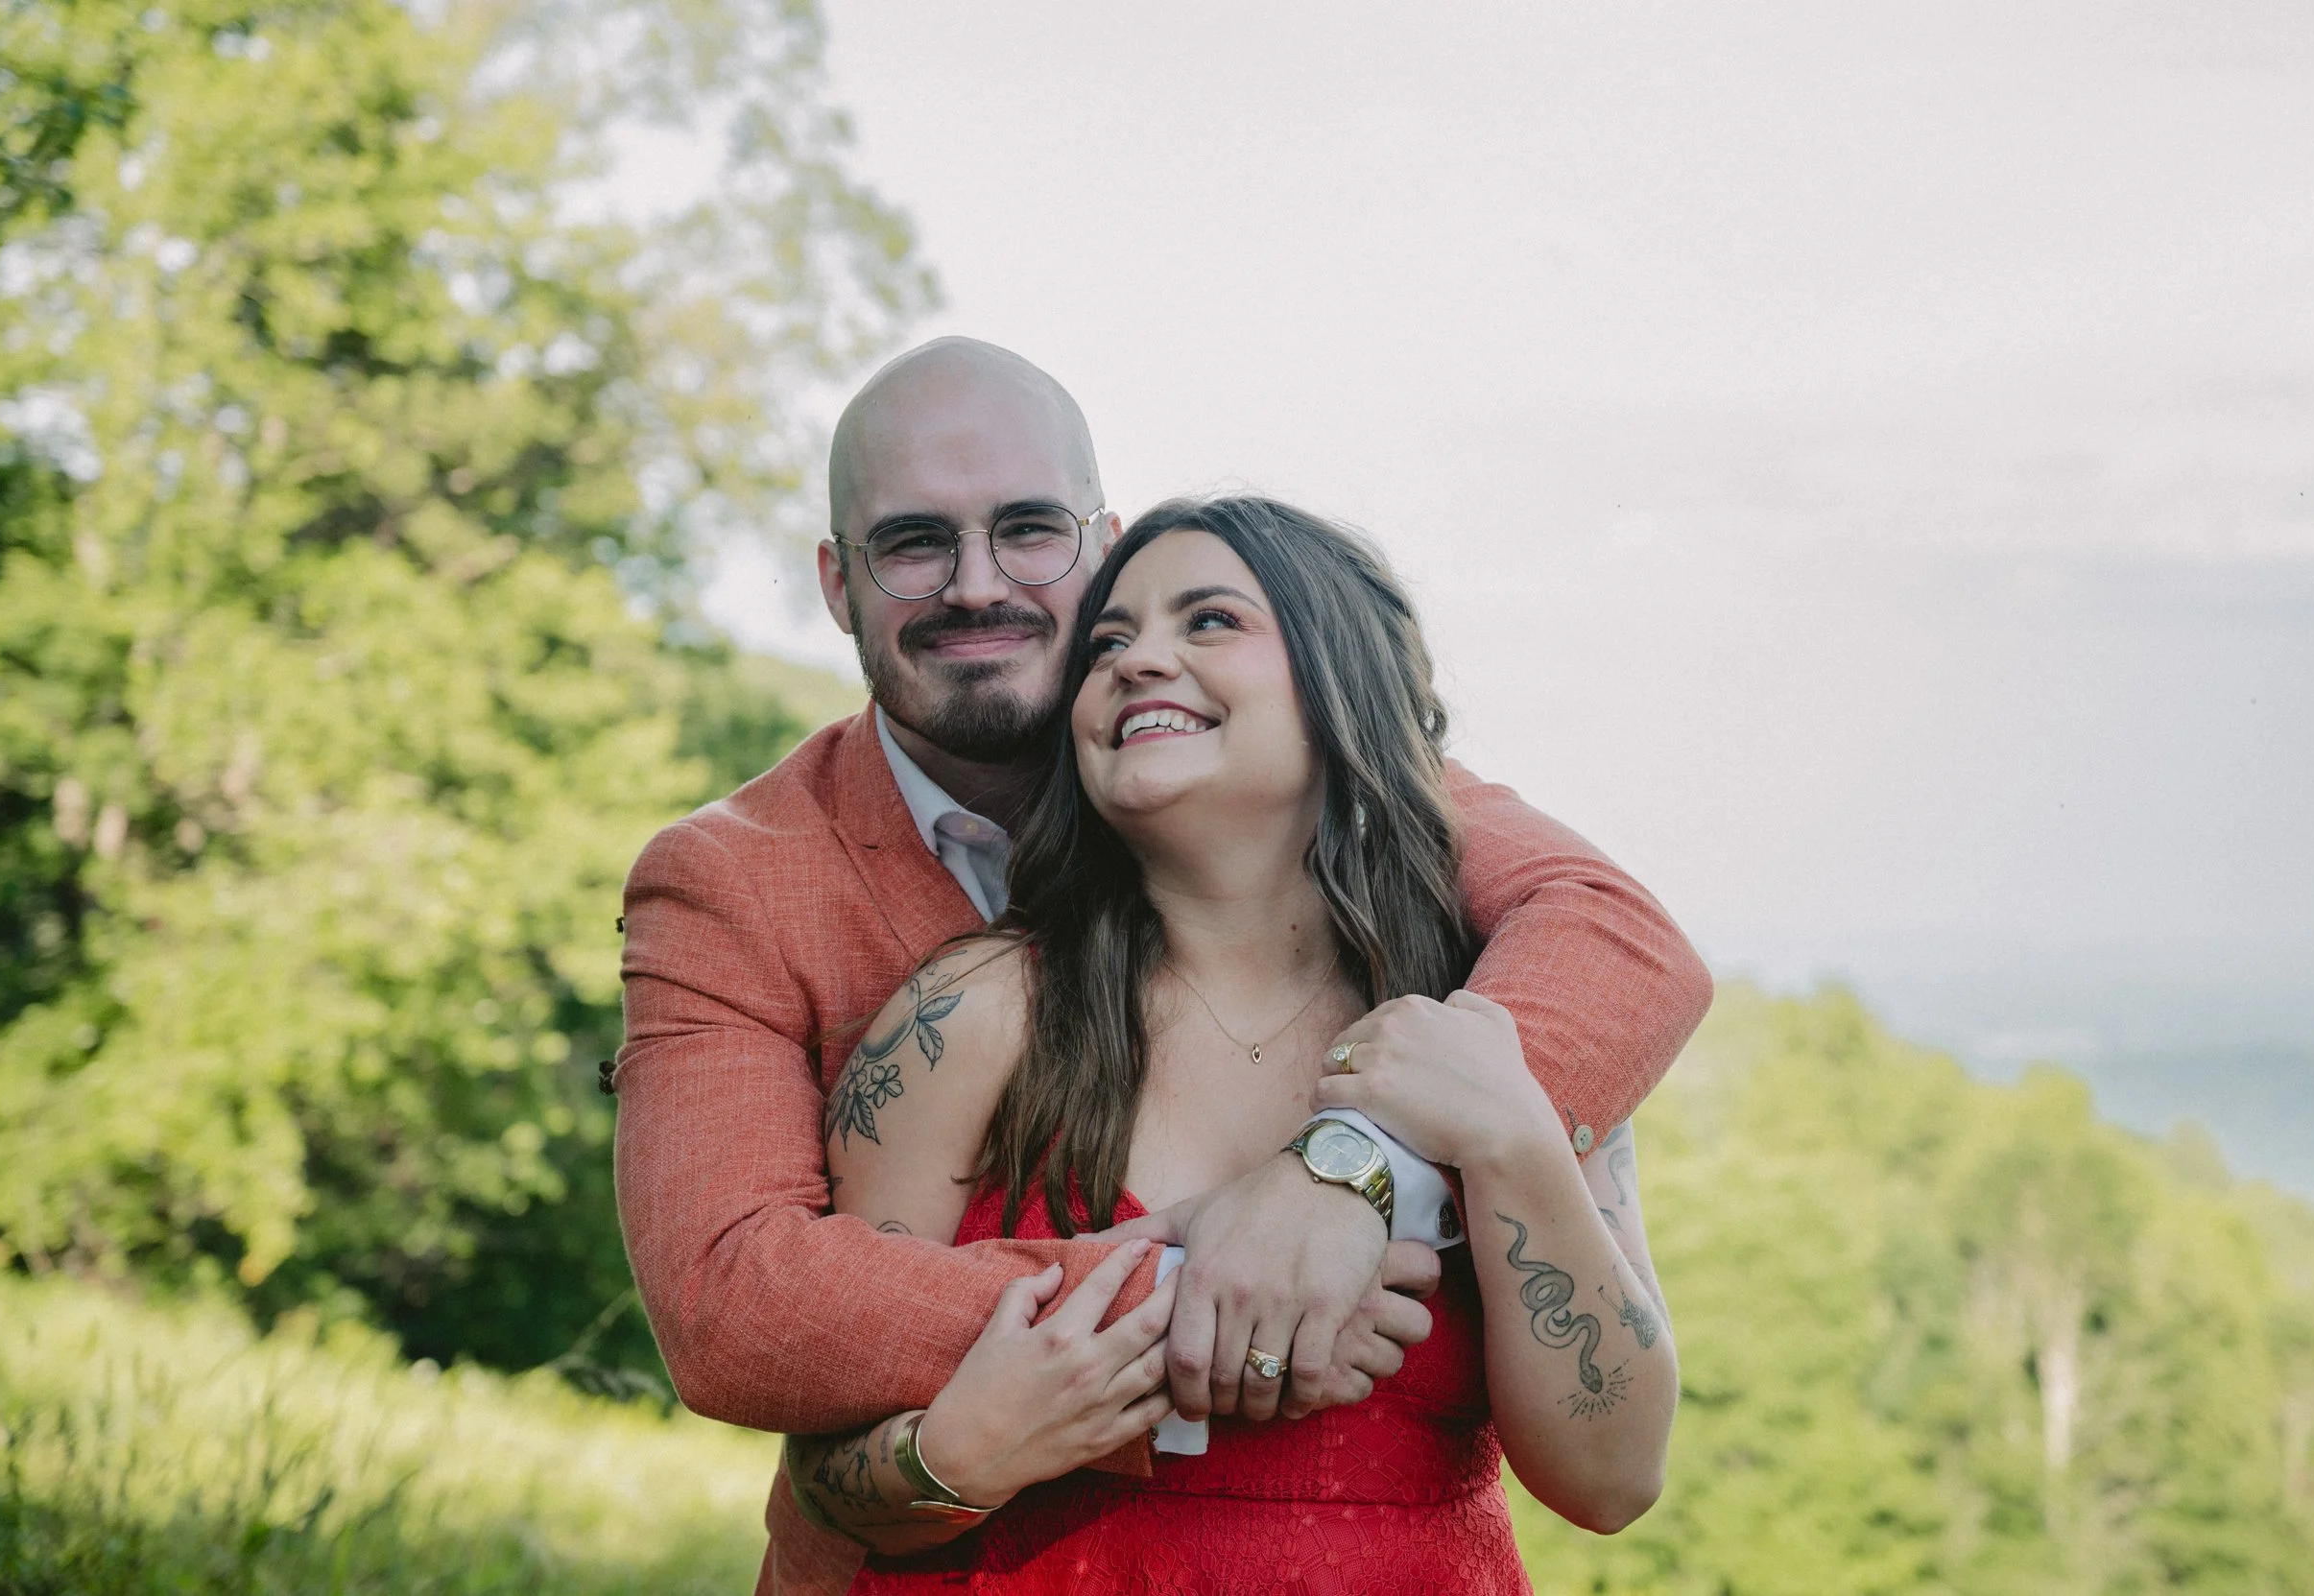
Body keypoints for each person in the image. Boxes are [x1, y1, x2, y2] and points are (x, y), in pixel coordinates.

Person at [610, 339, 1711, 1594]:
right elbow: (734, 1309)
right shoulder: (839, 939)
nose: (978, 584)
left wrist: (1354, 1175)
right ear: (836, 581)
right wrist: (1194, 1279)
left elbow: (1619, 935)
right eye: (913, 543)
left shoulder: (1473, 984)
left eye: (1029, 530)